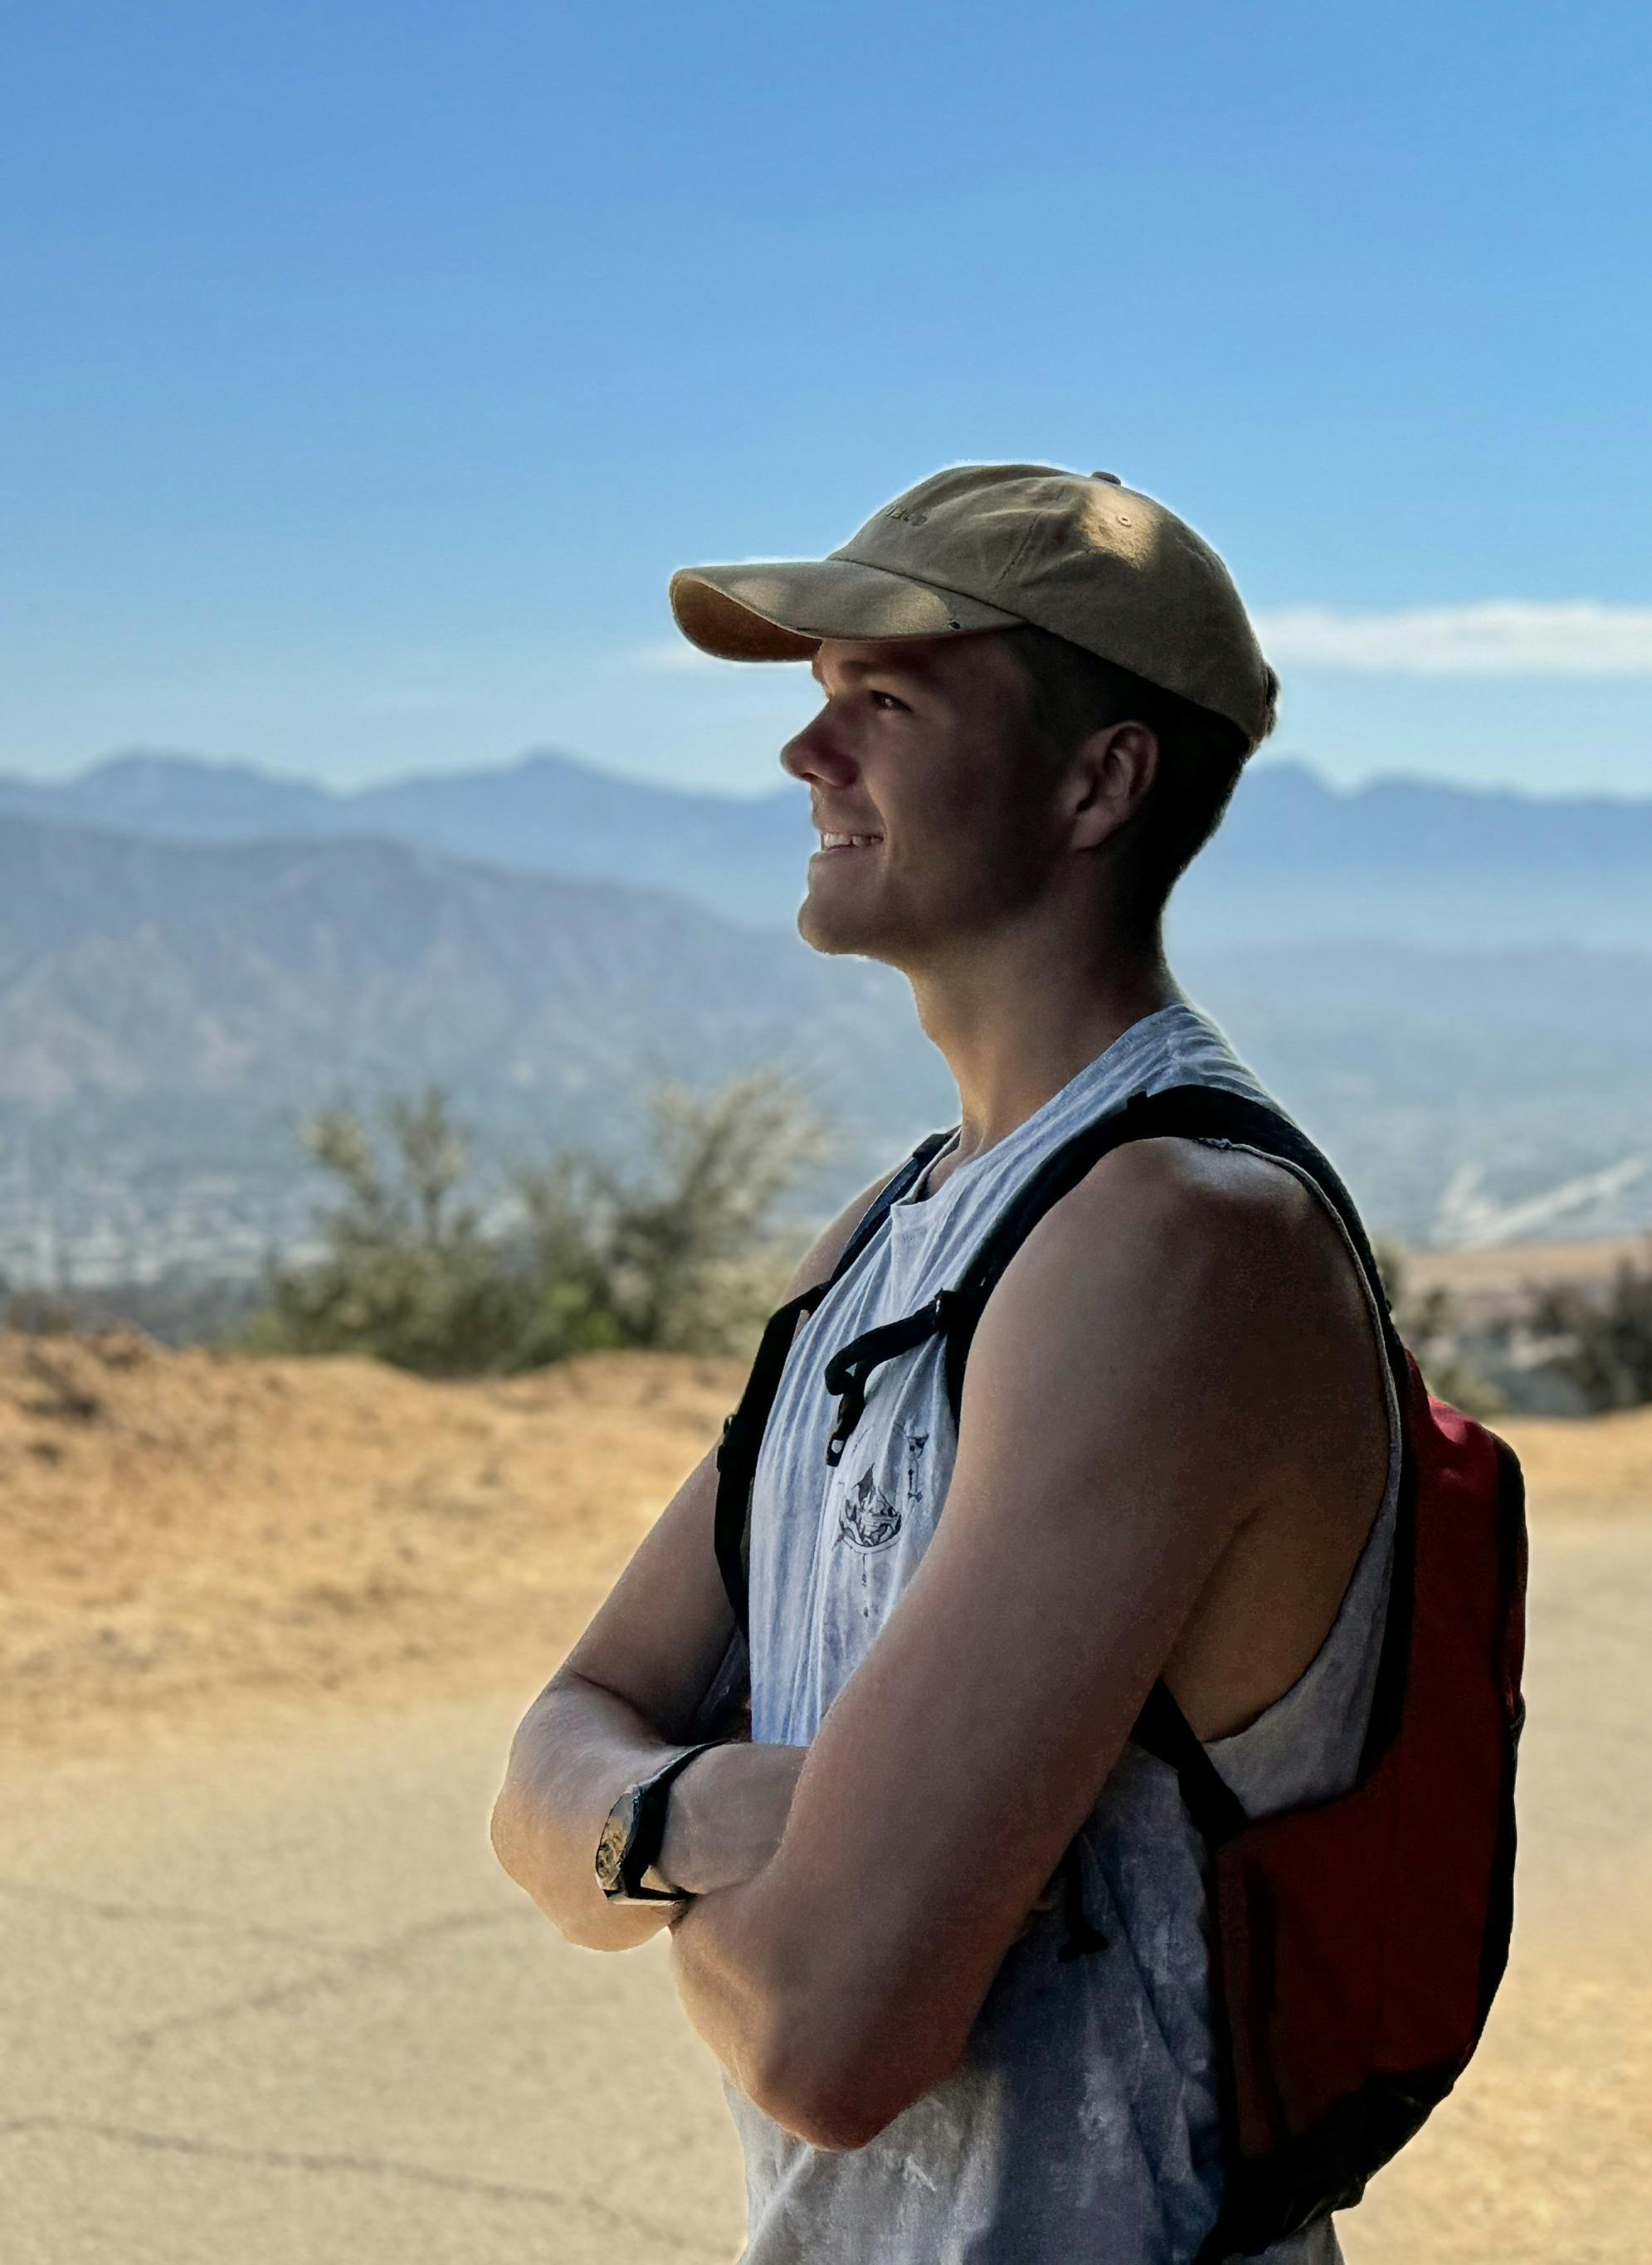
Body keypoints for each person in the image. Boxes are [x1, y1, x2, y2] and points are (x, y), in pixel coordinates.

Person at [488, 462, 1399, 2262]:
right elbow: (546, 1750)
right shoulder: (893, 1234)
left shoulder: (1176, 1248)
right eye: (819, 701)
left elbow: (836, 2034)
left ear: (1097, 780)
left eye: (882, 704)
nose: (805, 759)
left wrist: (642, 1846)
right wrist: (717, 1807)